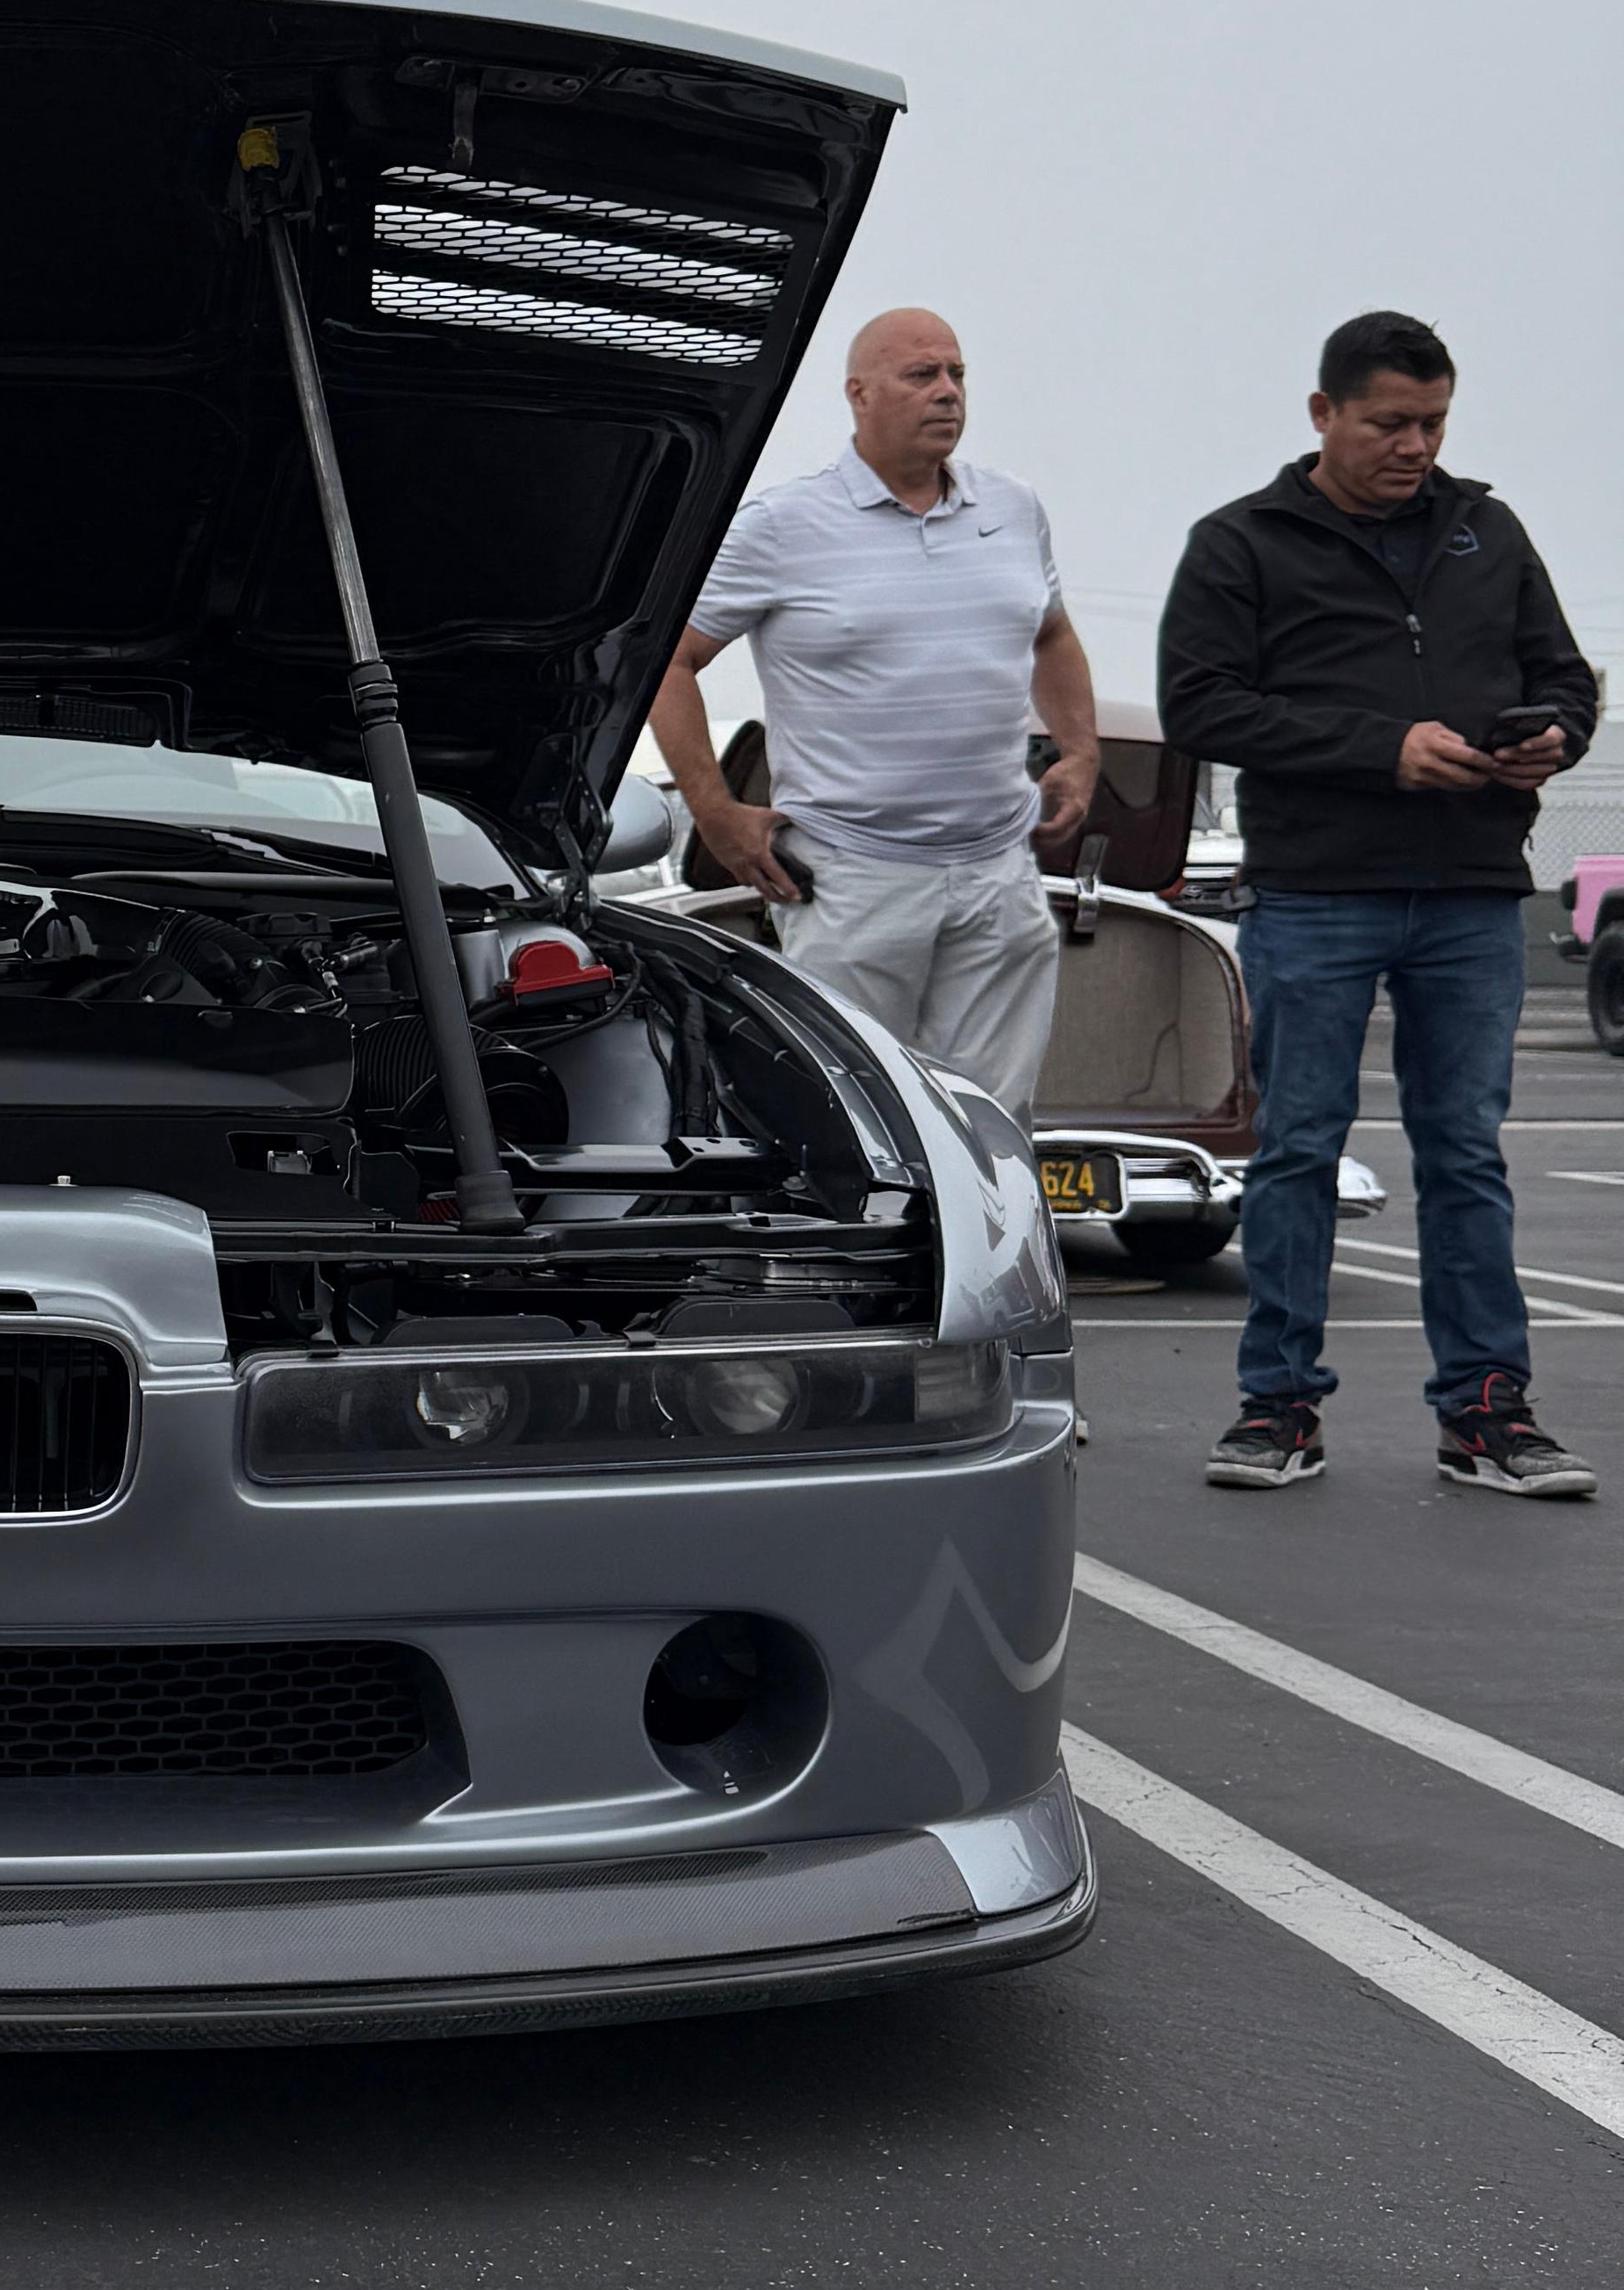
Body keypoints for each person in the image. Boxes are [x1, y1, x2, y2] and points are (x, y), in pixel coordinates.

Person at [1161, 313, 1597, 1498]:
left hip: (1467, 894)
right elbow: (1198, 707)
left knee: (1464, 1153)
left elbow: (1562, 675)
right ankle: (1277, 1410)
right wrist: (1380, 750)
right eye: (1388, 423)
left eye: (1432, 422)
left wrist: (1551, 737)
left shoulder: (1485, 531)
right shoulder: (1239, 544)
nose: (1414, 446)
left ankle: (1487, 1415)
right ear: (1322, 415)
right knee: (1296, 1150)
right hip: (1315, 891)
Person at [653, 308, 1101, 1120]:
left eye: (957, 374)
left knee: (992, 1131)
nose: (947, 393)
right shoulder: (783, 526)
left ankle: (971, 1254)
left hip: (998, 873)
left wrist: (1081, 750)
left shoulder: (1015, 509)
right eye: (921, 375)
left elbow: (1054, 634)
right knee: (854, 1124)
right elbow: (668, 664)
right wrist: (715, 814)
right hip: (854, 880)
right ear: (858, 395)